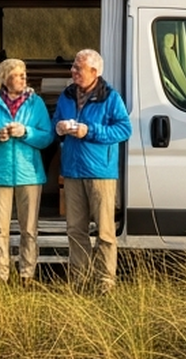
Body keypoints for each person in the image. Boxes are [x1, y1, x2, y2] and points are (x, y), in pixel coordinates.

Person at [52, 48, 131, 292]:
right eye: (73, 66)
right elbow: (55, 123)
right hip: (72, 171)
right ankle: (80, 280)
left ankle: (105, 282)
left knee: (105, 231)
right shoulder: (66, 95)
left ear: (94, 72)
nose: (72, 71)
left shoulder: (111, 97)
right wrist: (59, 128)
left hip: (100, 173)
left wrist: (90, 131)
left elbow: (124, 129)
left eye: (78, 68)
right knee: (75, 230)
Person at [0, 58, 53, 283]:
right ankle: (0, 276)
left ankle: (27, 275)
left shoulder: (36, 103)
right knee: (0, 230)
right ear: (5, 79)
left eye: (24, 73)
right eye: (17, 74)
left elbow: (47, 137)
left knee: (29, 229)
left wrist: (26, 132)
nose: (23, 77)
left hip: (30, 174)